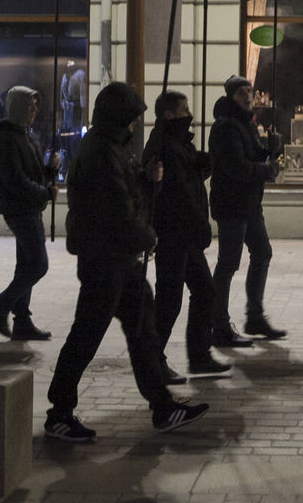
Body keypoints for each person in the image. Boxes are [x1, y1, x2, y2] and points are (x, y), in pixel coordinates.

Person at [45, 82, 206, 441]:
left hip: (120, 261)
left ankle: (162, 407)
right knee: (86, 335)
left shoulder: (113, 147)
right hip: (104, 261)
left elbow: (128, 193)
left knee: (142, 332)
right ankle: (59, 411)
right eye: (132, 118)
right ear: (118, 117)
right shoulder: (101, 152)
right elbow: (115, 209)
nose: (136, 124)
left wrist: (146, 180)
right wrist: (148, 236)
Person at [146, 90, 231, 378]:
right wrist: (201, 226)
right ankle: (153, 360)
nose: (189, 114)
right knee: (169, 300)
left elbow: (188, 176)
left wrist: (201, 166)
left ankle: (199, 354)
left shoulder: (176, 142)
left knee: (204, 291)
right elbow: (177, 193)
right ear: (168, 114)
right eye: (184, 109)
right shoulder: (162, 145)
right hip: (174, 233)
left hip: (186, 234)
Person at [209, 75, 286, 346]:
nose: (249, 96)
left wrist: (269, 150)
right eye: (242, 93)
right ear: (231, 97)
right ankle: (218, 324)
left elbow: (251, 157)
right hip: (232, 204)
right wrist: (268, 170)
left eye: (250, 91)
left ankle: (254, 316)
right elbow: (236, 167)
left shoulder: (246, 124)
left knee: (262, 252)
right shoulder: (226, 127)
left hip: (249, 203)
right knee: (228, 263)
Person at [0, 86, 57, 343]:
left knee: (26, 264)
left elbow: (34, 175)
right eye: (29, 105)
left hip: (29, 207)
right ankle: (1, 306)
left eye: (36, 106)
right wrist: (44, 194)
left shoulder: (27, 136)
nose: (34, 111)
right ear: (16, 106)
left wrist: (49, 171)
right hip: (20, 209)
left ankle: (22, 321)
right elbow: (15, 180)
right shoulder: (7, 140)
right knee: (38, 265)